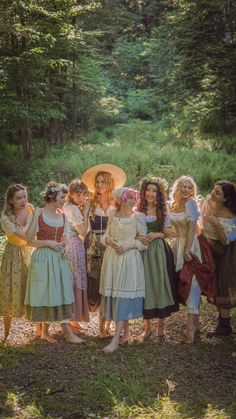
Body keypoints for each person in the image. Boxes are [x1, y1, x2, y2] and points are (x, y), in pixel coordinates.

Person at [24, 182, 83, 344]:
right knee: (45, 292)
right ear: (52, 197)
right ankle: (46, 332)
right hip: (43, 257)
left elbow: (63, 238)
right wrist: (48, 243)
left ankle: (63, 332)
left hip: (59, 258)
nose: (65, 200)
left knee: (59, 291)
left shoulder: (62, 216)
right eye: (62, 197)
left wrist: (64, 246)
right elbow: (28, 240)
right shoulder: (39, 214)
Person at [167, 176, 216, 344]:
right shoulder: (172, 206)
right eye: (183, 187)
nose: (186, 190)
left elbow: (193, 228)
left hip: (192, 245)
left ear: (193, 190)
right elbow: (166, 227)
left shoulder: (191, 204)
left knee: (192, 283)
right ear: (177, 189)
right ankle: (195, 323)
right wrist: (172, 236)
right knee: (185, 282)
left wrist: (187, 250)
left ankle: (190, 328)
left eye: (189, 187)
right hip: (178, 245)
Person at [99, 188, 146, 353]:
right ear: (121, 200)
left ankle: (115, 340)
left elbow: (144, 242)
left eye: (134, 199)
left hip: (129, 259)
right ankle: (126, 334)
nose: (132, 202)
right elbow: (104, 236)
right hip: (112, 258)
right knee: (116, 294)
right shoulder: (113, 214)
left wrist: (129, 245)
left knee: (122, 296)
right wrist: (110, 241)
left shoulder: (137, 217)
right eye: (129, 199)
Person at [81, 164, 126, 337]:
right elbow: (84, 229)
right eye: (97, 182)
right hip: (94, 247)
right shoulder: (90, 204)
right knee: (98, 284)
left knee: (111, 284)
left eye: (103, 182)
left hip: (111, 246)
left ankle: (107, 323)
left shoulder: (117, 203)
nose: (99, 185)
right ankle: (101, 326)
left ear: (110, 183)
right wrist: (85, 213)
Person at [137, 176, 179, 339]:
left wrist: (157, 234)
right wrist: (139, 237)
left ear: (159, 193)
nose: (150, 193)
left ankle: (161, 325)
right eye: (148, 190)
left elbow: (168, 233)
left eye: (154, 190)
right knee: (145, 284)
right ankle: (147, 327)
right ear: (143, 192)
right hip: (143, 250)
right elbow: (134, 232)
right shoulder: (138, 210)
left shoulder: (163, 211)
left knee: (160, 283)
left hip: (159, 250)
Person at [0, 184, 39, 340]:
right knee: (10, 289)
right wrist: (36, 215)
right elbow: (26, 237)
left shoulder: (30, 212)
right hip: (14, 255)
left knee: (34, 288)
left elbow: (37, 233)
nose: (23, 200)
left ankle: (40, 330)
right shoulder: (5, 218)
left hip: (31, 252)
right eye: (19, 198)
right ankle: (7, 333)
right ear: (11, 200)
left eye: (24, 197)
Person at [200, 180, 236, 335]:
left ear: (225, 198)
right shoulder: (210, 204)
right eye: (213, 190)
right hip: (214, 250)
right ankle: (223, 323)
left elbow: (226, 240)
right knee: (217, 285)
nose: (213, 194)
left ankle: (225, 325)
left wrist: (216, 224)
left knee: (225, 284)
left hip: (229, 252)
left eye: (217, 193)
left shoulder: (232, 215)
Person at [63, 179, 90, 332]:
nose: (82, 198)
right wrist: (85, 212)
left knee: (73, 279)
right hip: (73, 245)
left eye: (84, 194)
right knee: (74, 279)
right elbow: (83, 232)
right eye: (78, 194)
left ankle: (72, 319)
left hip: (71, 244)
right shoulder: (73, 209)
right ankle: (71, 319)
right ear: (71, 195)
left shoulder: (69, 207)